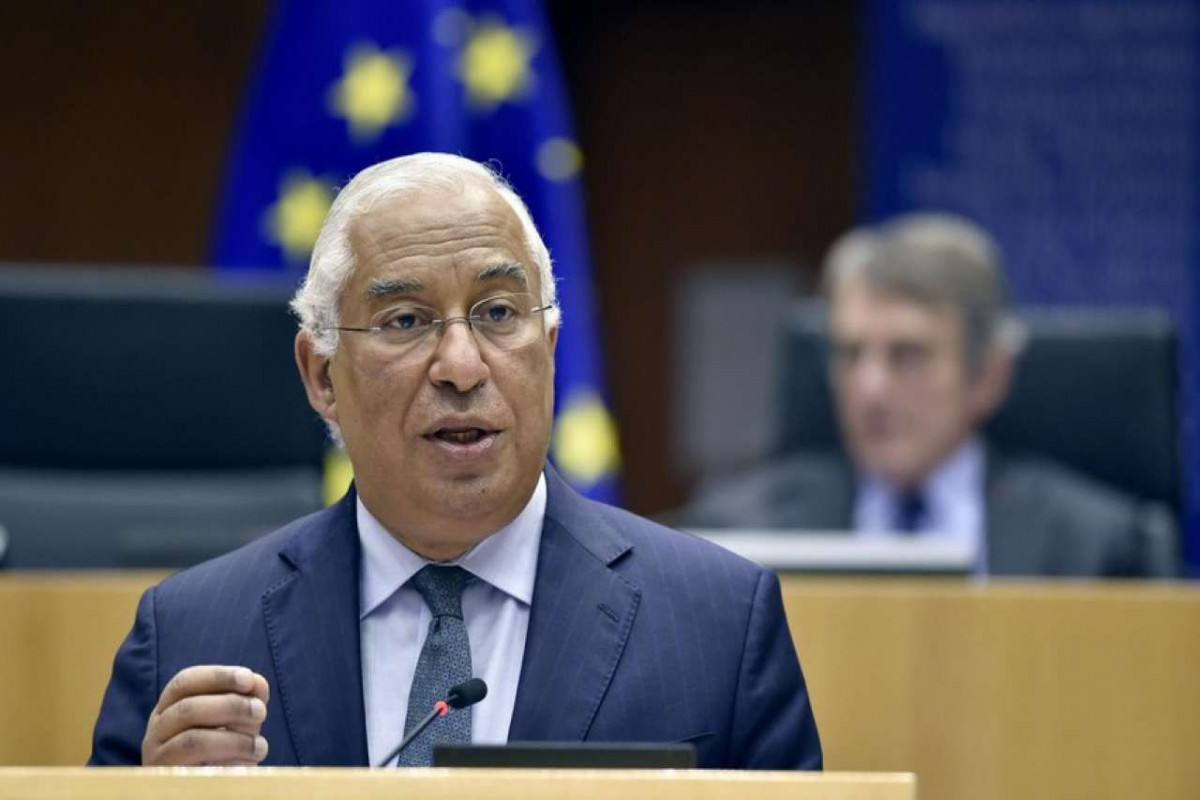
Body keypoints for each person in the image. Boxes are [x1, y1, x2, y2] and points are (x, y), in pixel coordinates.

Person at [89, 153, 822, 769]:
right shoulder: (190, 636)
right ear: (322, 377)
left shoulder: (719, 624)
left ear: (549, 353)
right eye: (406, 320)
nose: (463, 367)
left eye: (499, 313)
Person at [680, 213, 1178, 577]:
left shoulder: (1104, 547)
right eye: (851, 354)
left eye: (907, 355)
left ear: (988, 376)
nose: (870, 388)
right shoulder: (733, 535)